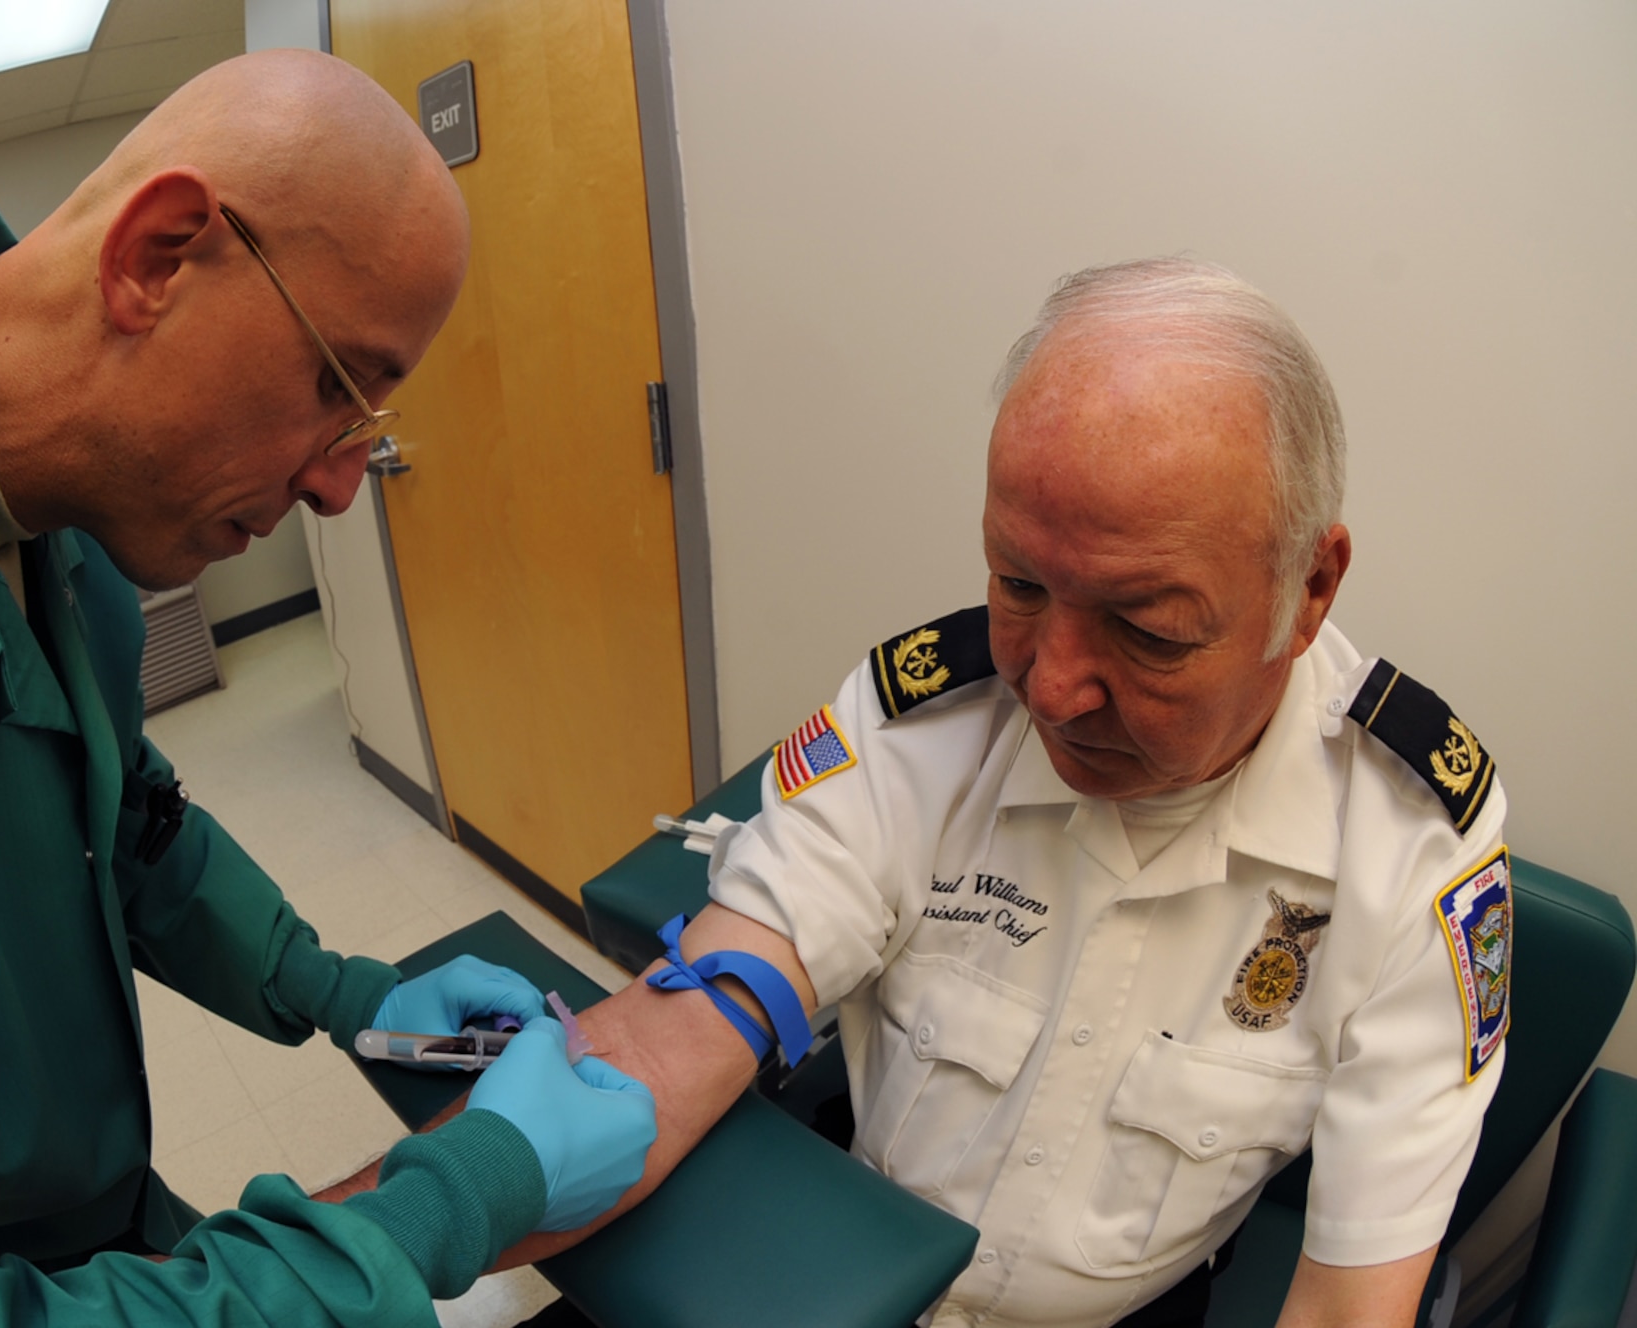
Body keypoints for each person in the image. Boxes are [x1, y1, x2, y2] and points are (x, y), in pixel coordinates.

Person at [0, 50, 654, 1328]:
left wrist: (344, 991)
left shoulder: (63, 481)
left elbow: (117, 816)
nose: (341, 486)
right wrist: (452, 1200)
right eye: (338, 389)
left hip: (85, 1221)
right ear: (156, 259)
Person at [508, 258, 1509, 1328]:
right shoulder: (925, 719)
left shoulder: (1412, 843)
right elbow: (695, 1019)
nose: (1051, 687)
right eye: (1018, 585)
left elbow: (1350, 1307)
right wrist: (422, 1214)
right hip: (835, 1255)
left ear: (1308, 588)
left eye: (1148, 631)